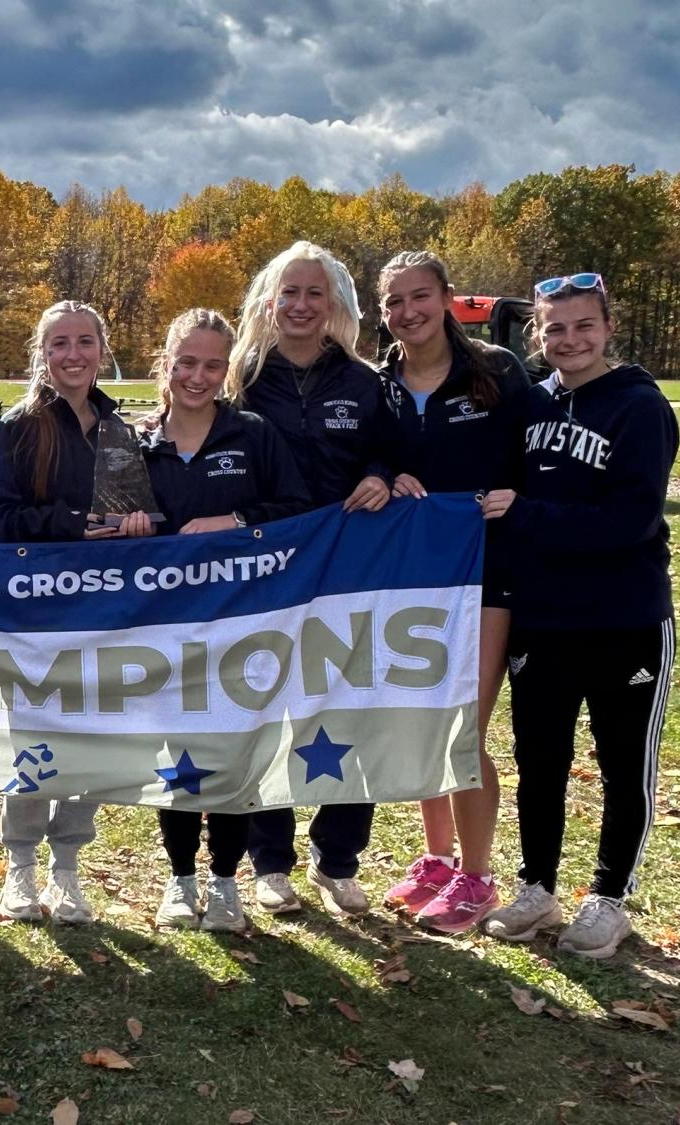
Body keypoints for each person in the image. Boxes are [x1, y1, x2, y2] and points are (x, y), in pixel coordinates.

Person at [479, 272, 678, 958]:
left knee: (623, 763)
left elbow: (631, 519)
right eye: (555, 327)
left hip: (626, 616)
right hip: (545, 615)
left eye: (583, 325)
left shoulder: (639, 407)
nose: (570, 339)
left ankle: (610, 895)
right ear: (537, 334)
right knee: (541, 759)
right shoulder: (531, 406)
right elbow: (492, 484)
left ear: (607, 327)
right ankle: (537, 885)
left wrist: (528, 514)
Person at [0, 300, 154, 925]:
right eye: (60, 344)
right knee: (35, 738)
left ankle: (67, 868)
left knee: (91, 736)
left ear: (103, 348)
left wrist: (136, 527)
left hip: (104, 613)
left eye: (85, 342)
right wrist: (73, 527)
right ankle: (20, 865)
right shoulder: (21, 426)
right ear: (41, 354)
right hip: (37, 616)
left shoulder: (121, 429)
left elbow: (148, 517)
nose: (73, 355)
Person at [226, 241, 390, 916]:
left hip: (352, 574)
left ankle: (339, 857)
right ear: (269, 301)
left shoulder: (362, 381)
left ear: (335, 305)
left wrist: (382, 474)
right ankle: (271, 860)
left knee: (352, 710)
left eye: (313, 293)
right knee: (269, 712)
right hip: (267, 576)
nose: (299, 305)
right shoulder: (244, 375)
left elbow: (390, 453)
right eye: (288, 292)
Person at [137, 308, 311, 931]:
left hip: (242, 628)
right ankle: (181, 879)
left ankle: (225, 881)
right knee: (179, 755)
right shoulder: (137, 443)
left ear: (228, 369)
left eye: (213, 364)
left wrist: (234, 525)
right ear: (166, 363)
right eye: (186, 362)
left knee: (234, 754)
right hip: (165, 632)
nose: (198, 376)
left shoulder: (254, 433)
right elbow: (108, 531)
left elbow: (296, 510)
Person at [374, 251, 531, 933]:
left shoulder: (495, 372)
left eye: (419, 297)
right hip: (409, 576)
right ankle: (437, 859)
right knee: (421, 718)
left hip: (486, 572)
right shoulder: (378, 382)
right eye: (394, 302)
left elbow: (538, 452)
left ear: (445, 298)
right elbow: (367, 456)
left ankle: (478, 874)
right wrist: (387, 472)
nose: (408, 312)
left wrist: (519, 498)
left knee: (464, 723)